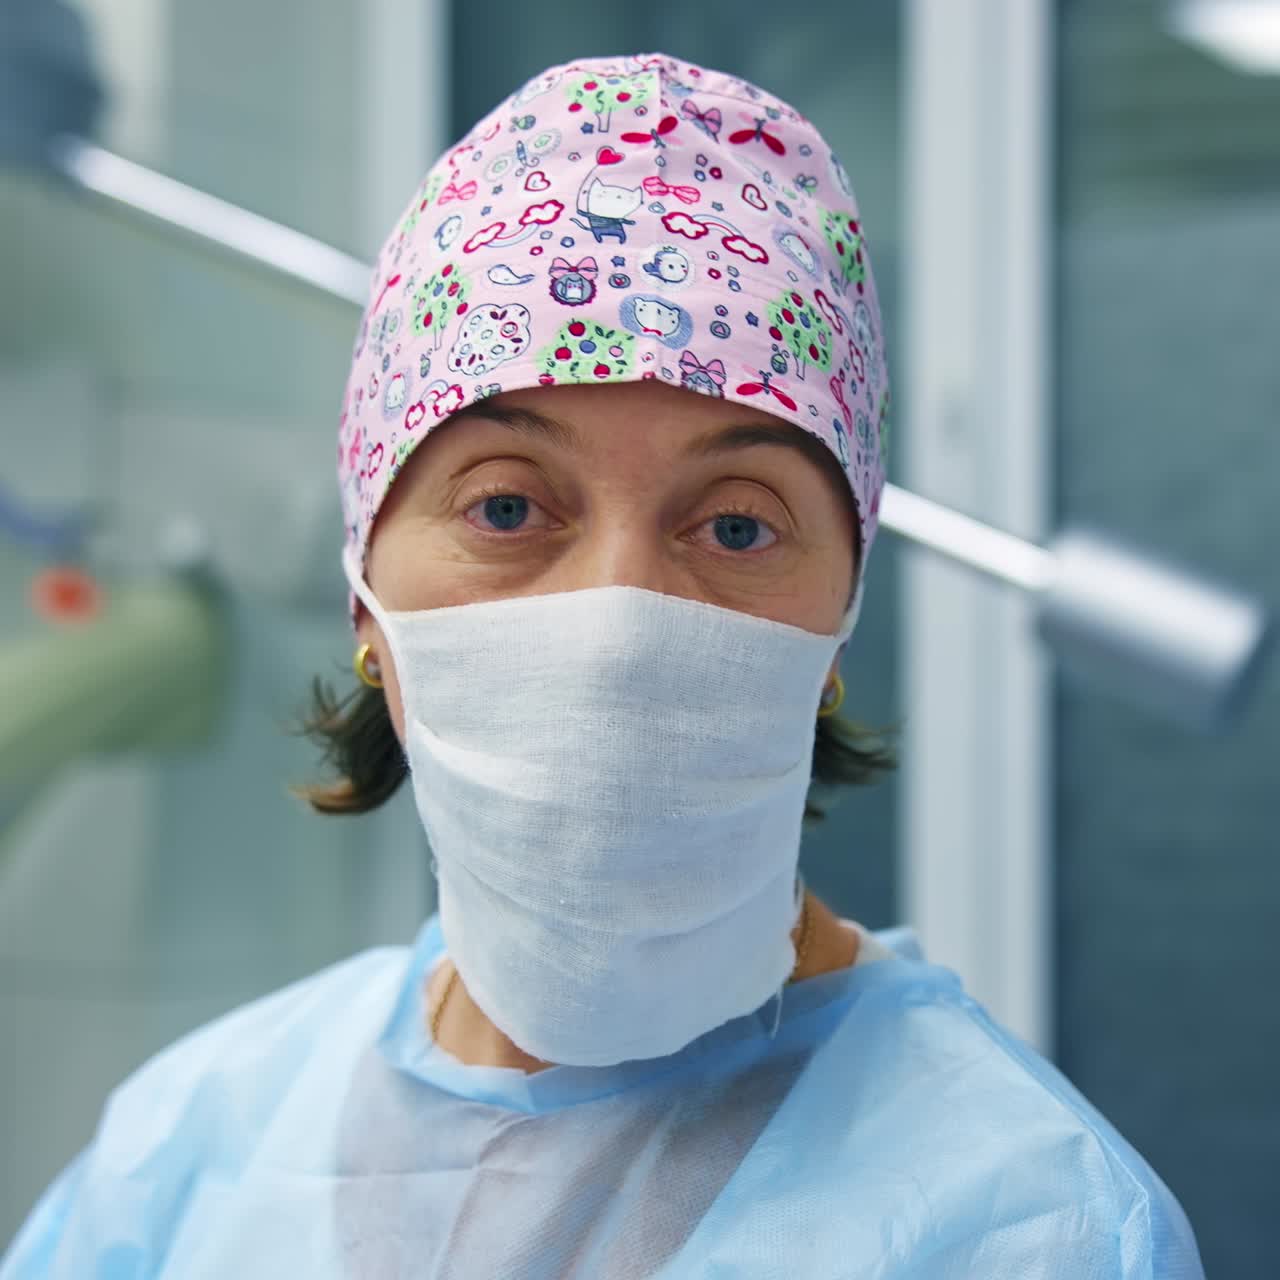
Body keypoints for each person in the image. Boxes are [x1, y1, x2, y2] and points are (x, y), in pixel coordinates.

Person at [1, 52, 1204, 1278]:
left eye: (734, 526)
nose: (618, 620)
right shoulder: (193, 1145)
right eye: (509, 509)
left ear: (837, 618)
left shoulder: (1027, 1220)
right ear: (368, 599)